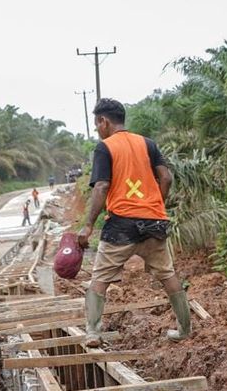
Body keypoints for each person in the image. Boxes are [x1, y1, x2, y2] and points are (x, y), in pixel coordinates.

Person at [77, 98, 191, 347]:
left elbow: (102, 186)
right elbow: (166, 178)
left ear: (103, 121)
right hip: (154, 223)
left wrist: (88, 225)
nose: (98, 129)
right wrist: (153, 205)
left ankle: (93, 332)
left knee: (100, 278)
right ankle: (184, 329)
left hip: (121, 226)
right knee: (167, 274)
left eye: (97, 124)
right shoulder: (147, 144)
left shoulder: (105, 147)